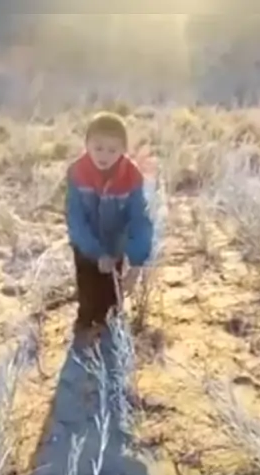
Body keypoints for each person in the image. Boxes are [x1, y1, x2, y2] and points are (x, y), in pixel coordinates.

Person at [66, 112, 154, 347]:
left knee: (111, 293)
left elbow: (140, 219)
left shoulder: (132, 176)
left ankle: (109, 332)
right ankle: (84, 327)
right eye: (98, 147)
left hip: (115, 243)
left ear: (124, 150)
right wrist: (95, 252)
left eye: (112, 150)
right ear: (86, 145)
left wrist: (136, 262)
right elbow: (75, 219)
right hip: (86, 246)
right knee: (87, 289)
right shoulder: (77, 172)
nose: (104, 155)